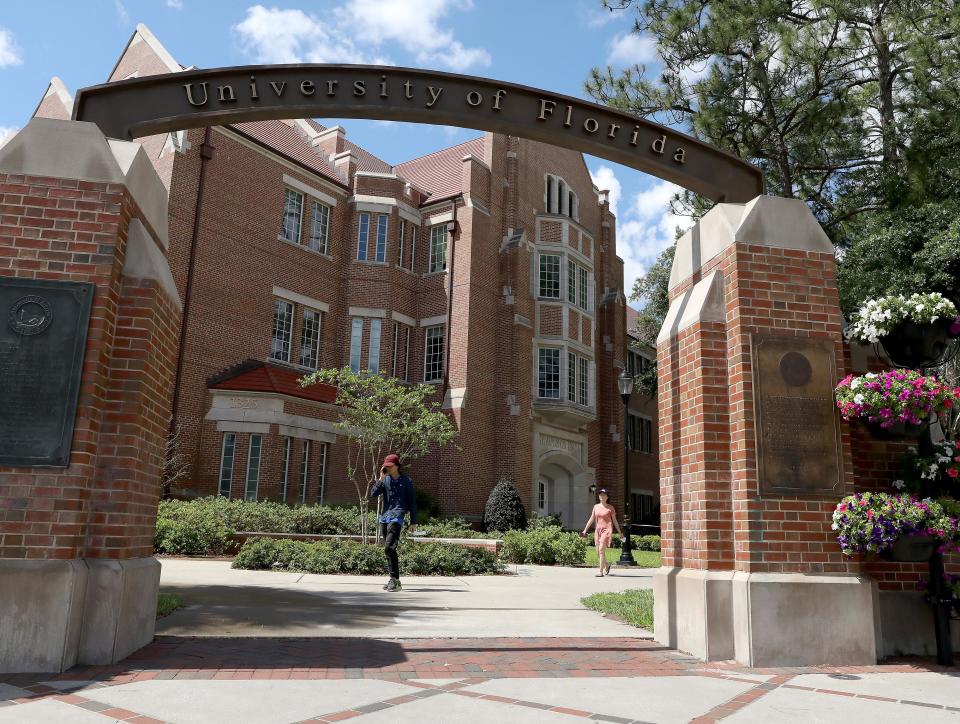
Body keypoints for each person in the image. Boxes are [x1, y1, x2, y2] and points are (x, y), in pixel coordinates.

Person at [369, 453, 417, 592]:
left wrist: (413, 521)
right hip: (385, 517)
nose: (387, 469)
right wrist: (380, 479)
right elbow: (373, 494)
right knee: (388, 549)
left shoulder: (406, 481)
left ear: (396, 466)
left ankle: (394, 579)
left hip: (397, 516)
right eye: (386, 467)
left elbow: (412, 501)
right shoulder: (385, 480)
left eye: (390, 467)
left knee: (389, 547)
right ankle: (395, 580)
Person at [581, 488, 621, 577]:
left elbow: (614, 521)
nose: (602, 496)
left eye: (604, 495)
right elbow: (592, 518)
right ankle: (606, 565)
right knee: (598, 552)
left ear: (607, 497)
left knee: (601, 550)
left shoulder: (610, 508)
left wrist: (619, 532)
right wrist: (585, 530)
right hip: (597, 530)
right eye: (600, 495)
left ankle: (600, 571)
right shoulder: (596, 506)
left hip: (607, 530)